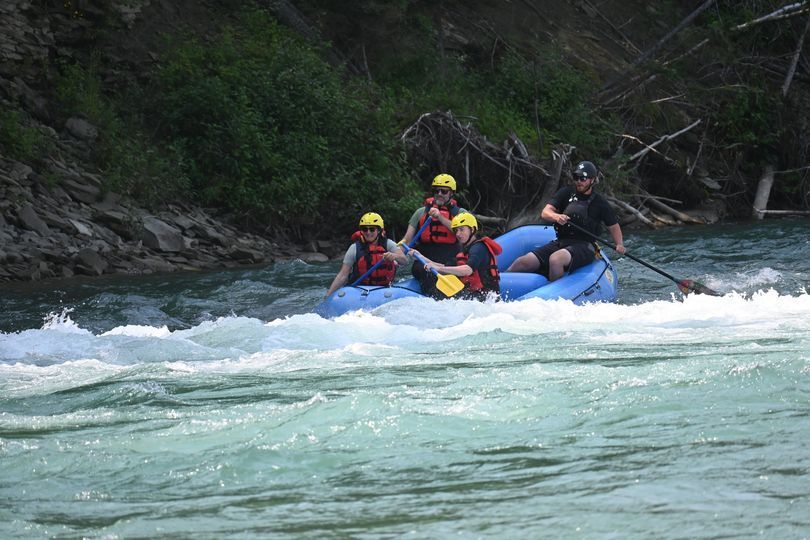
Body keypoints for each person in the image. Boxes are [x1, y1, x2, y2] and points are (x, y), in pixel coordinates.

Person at [506, 160, 626, 281]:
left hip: (584, 246)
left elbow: (613, 226)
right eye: (576, 177)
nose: (579, 181)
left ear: (592, 180)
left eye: (583, 178)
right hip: (561, 242)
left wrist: (619, 244)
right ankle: (496, 287)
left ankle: (553, 294)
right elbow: (545, 212)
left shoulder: (600, 203)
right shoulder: (565, 193)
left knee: (556, 259)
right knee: (522, 262)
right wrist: (556, 216)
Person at [398, 173, 466, 294]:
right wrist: (395, 256)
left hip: (450, 259)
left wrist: (440, 217)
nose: (439, 194)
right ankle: (430, 297)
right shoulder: (420, 213)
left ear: (451, 193)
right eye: (436, 191)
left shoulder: (460, 214)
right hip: (424, 259)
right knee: (422, 270)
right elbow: (407, 240)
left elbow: (464, 235)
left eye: (444, 191)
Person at [416, 213, 502, 301]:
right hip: (475, 295)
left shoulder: (478, 248)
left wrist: (438, 269)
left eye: (461, 229)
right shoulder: (465, 250)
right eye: (456, 230)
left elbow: (468, 270)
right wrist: (420, 256)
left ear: (472, 230)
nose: (458, 234)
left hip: (487, 297)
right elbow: (444, 267)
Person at [325, 212, 408, 298]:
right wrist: (329, 294)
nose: (368, 232)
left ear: (379, 230)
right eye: (365, 229)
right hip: (359, 289)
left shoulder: (388, 244)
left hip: (383, 289)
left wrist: (395, 256)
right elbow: (343, 275)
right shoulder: (354, 248)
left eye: (372, 229)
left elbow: (404, 261)